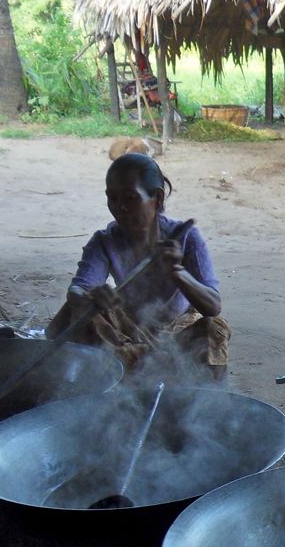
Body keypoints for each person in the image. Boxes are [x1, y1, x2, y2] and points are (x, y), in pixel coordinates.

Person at [47, 153, 229, 379]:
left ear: (158, 199)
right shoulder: (104, 241)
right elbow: (77, 290)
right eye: (112, 198)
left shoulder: (186, 237)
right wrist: (90, 296)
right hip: (127, 334)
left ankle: (200, 397)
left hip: (177, 331)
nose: (120, 208)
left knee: (214, 329)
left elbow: (213, 306)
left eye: (130, 198)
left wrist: (177, 272)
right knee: (76, 312)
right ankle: (139, 374)